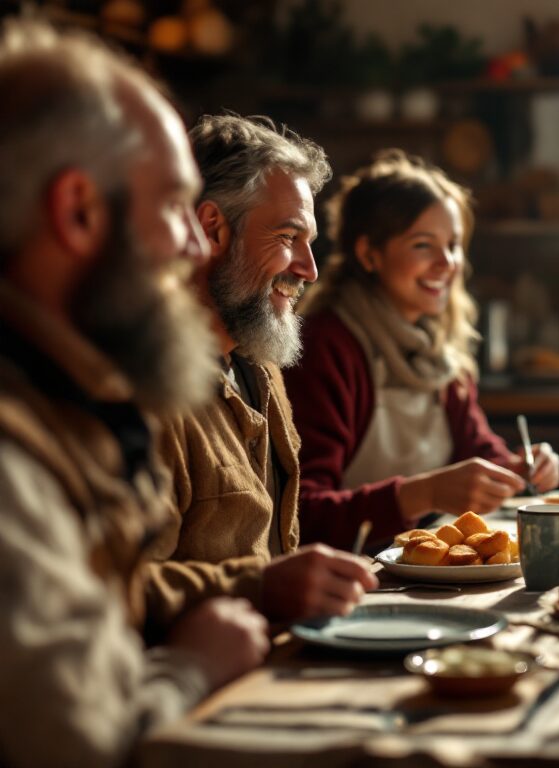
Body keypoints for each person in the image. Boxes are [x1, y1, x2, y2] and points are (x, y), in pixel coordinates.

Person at [0, 19, 268, 767]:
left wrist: (260, 585)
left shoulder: (67, 398)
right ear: (79, 211)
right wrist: (194, 668)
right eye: (176, 205)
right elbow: (82, 747)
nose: (193, 245)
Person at [140, 114, 377, 632]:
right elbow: (118, 592)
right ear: (211, 228)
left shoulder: (259, 363)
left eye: (309, 241)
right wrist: (260, 590)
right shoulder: (147, 389)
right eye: (289, 236)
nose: (309, 269)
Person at [285, 150, 559, 549]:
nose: (447, 263)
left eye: (453, 245)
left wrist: (522, 468)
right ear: (369, 254)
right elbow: (300, 515)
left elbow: (477, 448)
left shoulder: (439, 347)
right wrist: (422, 494)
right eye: (422, 246)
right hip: (351, 578)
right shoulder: (326, 346)